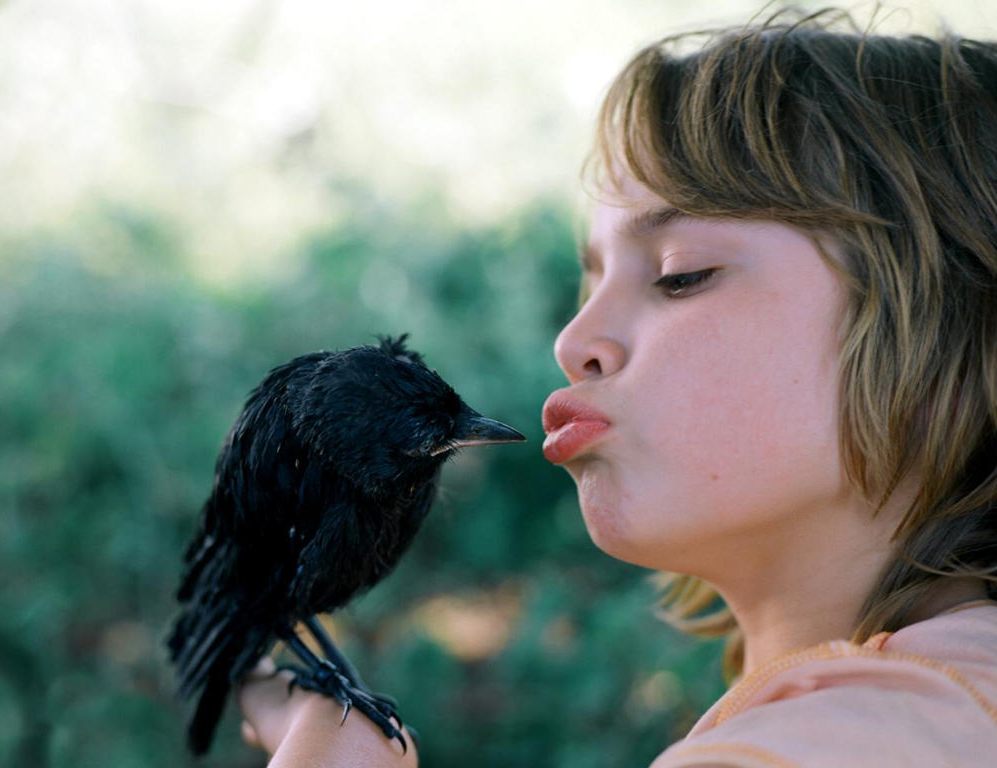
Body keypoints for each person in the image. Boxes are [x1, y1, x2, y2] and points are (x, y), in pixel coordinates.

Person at [237, 5, 997, 766]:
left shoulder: (865, 736)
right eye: (590, 280)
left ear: (952, 338)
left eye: (680, 275)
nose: (573, 342)